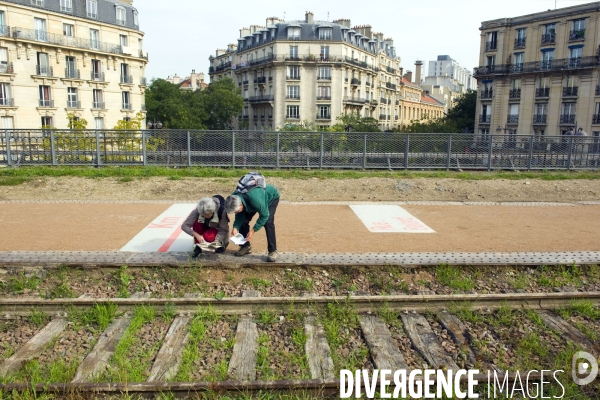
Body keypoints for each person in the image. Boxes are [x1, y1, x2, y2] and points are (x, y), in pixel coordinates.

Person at [224, 184, 280, 262]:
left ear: (240, 204)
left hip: (270, 198)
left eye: (236, 211)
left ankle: (273, 251)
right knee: (243, 222)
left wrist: (253, 231)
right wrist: (235, 227)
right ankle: (245, 247)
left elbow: (264, 215)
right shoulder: (233, 198)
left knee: (268, 222)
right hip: (250, 202)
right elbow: (239, 215)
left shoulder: (256, 200)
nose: (236, 213)